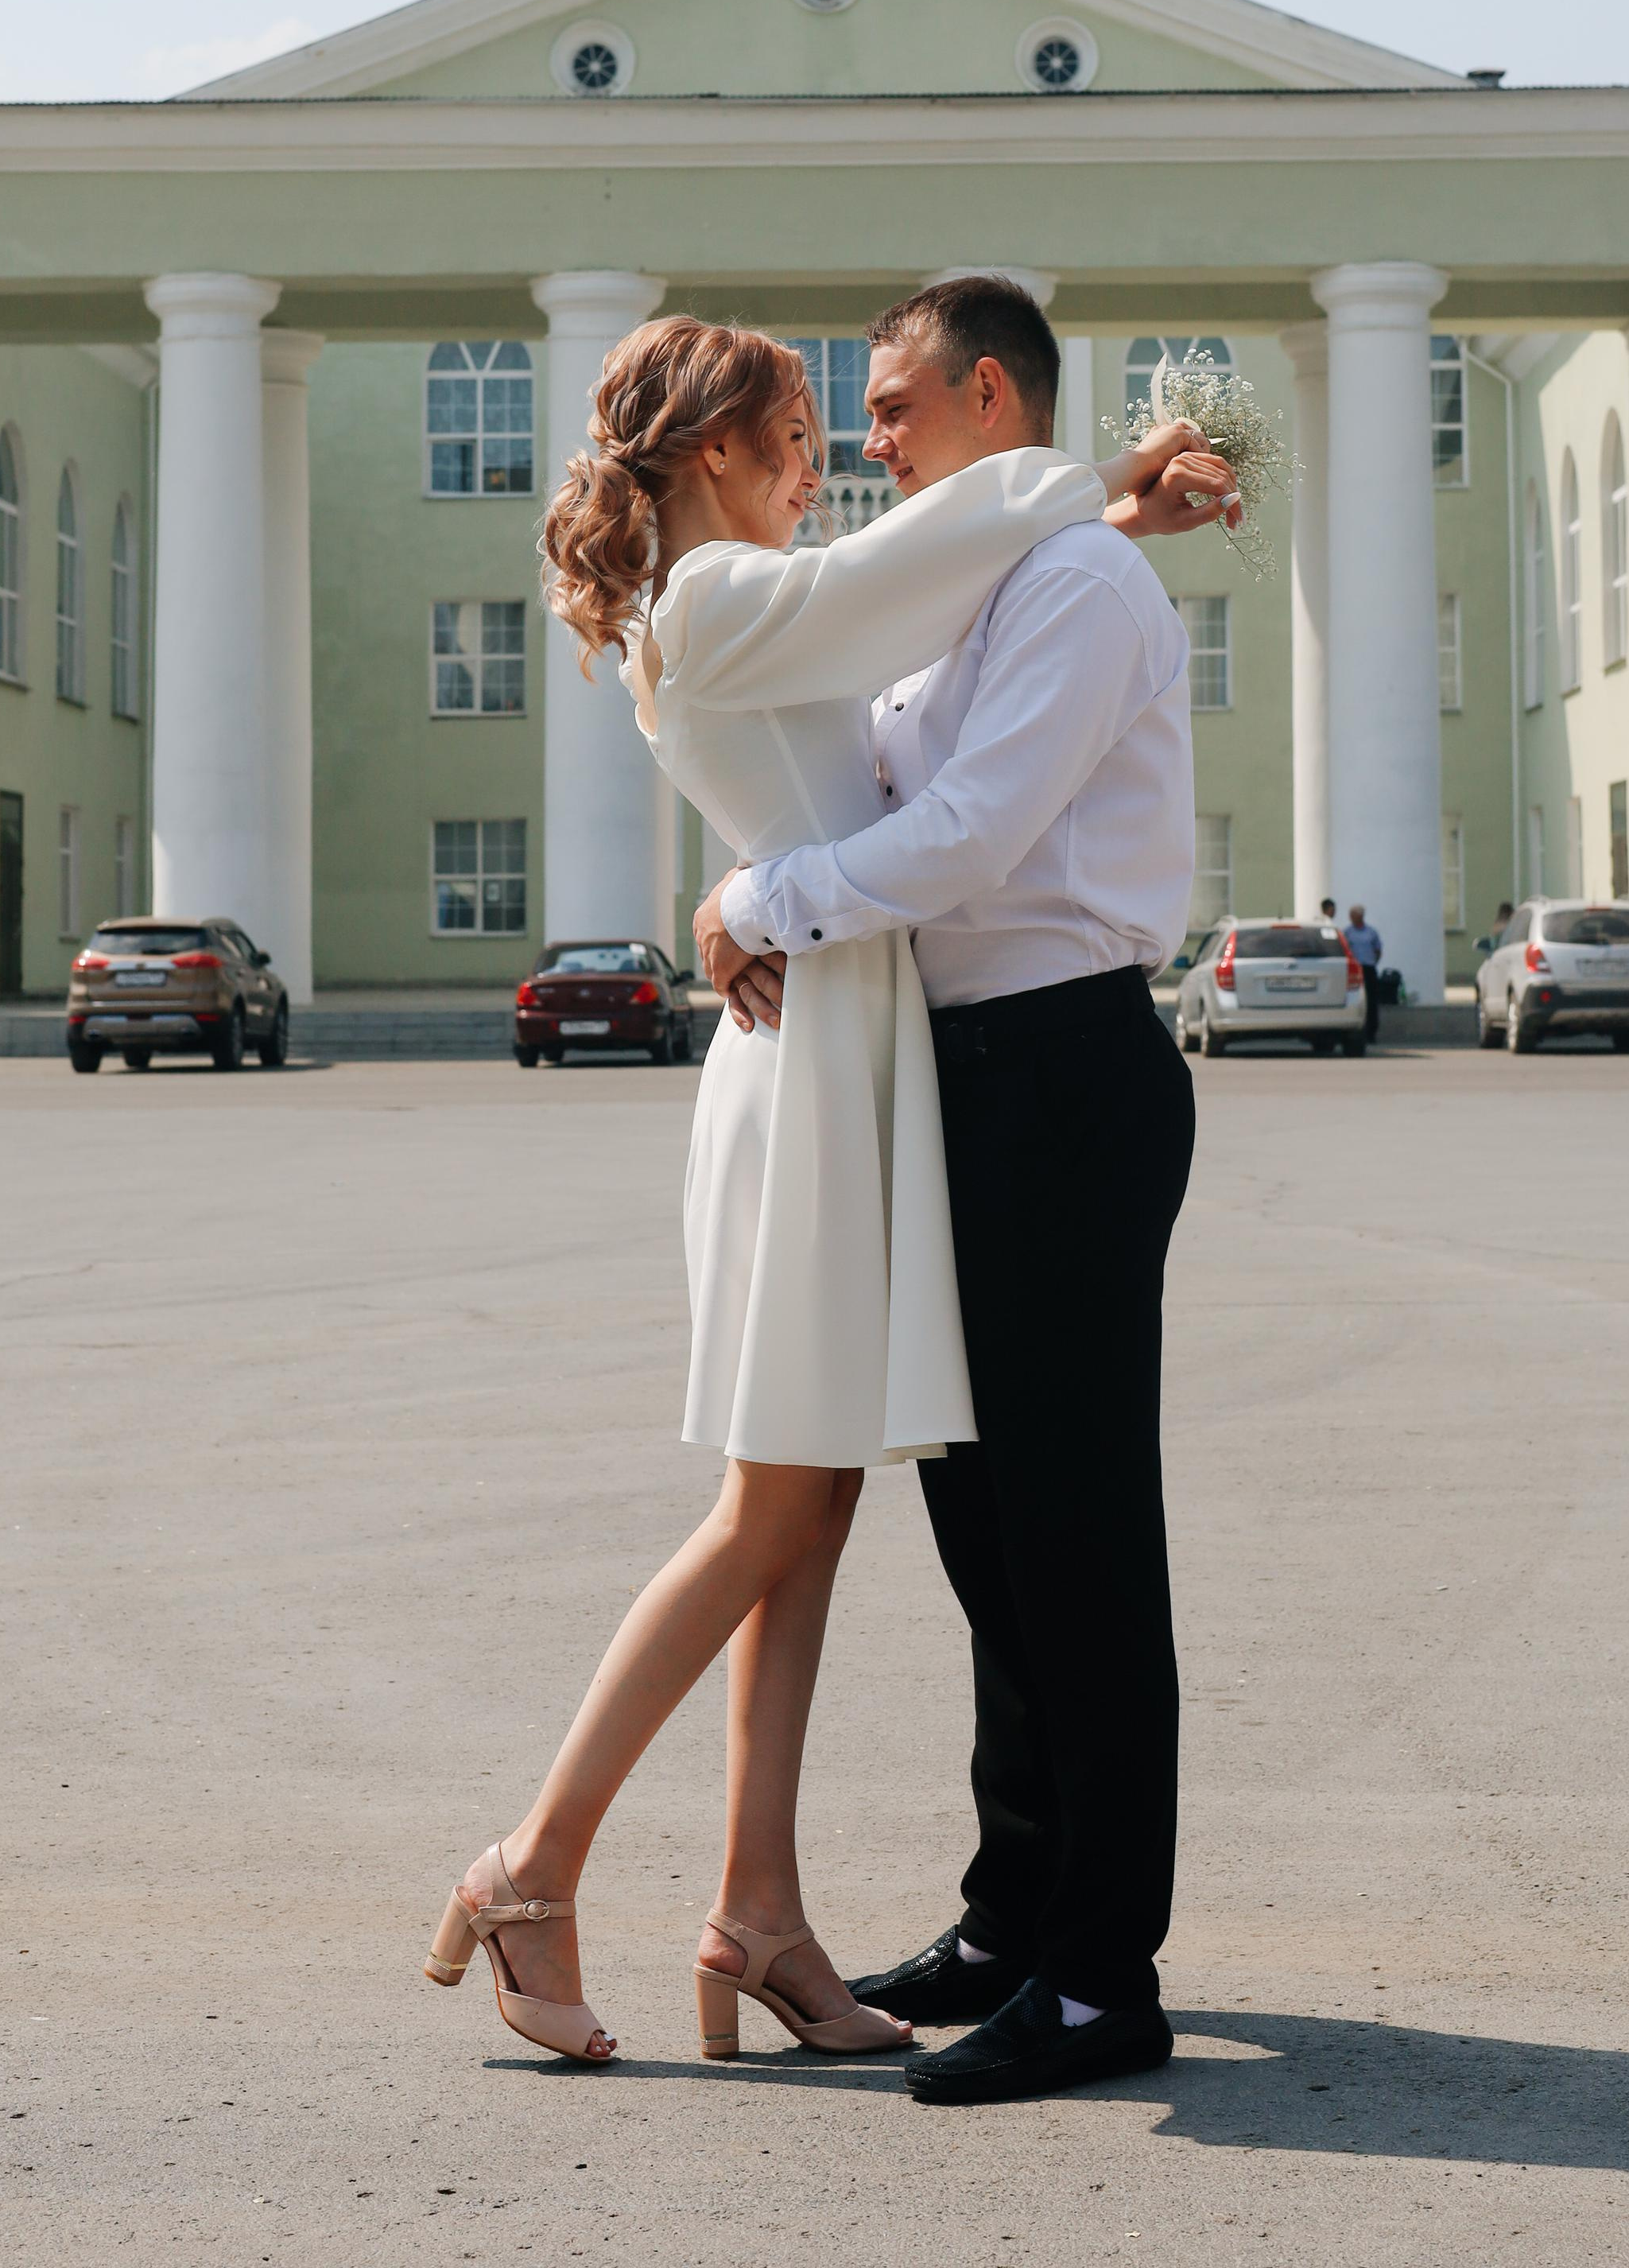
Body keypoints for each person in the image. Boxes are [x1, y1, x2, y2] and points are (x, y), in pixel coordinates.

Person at [424, 314, 1233, 2068]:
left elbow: (913, 710)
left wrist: (1107, 524)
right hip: (835, 1077)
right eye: (804, 426)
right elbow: (918, 585)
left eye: (862, 412)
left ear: (991, 391)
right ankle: (538, 1861)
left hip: (922, 1062)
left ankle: (767, 1906)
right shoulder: (731, 597)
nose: (838, 454)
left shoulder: (806, 596)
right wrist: (1098, 495)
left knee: (842, 1515)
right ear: (711, 449)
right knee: (788, 1512)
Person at [696, 275, 1215, 2107]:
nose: (869, 436)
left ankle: (1097, 1978)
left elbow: (971, 831)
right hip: (969, 1080)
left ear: (988, 391)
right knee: (987, 1530)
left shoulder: (1075, 586)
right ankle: (1014, 1914)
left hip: (1062, 1064)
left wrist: (759, 904)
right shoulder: (988, 577)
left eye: (897, 403)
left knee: (1076, 1534)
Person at [1342, 902, 1384, 1042]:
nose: (1351, 918)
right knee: (1357, 1000)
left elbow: (1378, 950)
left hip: (1369, 968)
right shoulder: (1348, 932)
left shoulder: (1371, 932)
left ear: (1360, 916)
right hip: (1355, 970)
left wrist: (1373, 962)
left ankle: (1371, 1033)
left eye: (1354, 915)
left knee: (1372, 1002)